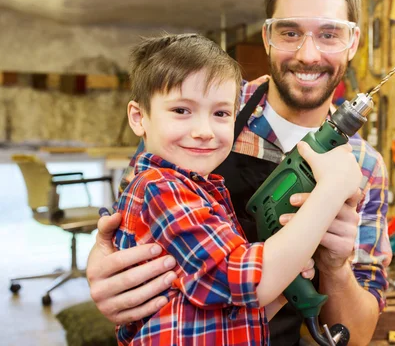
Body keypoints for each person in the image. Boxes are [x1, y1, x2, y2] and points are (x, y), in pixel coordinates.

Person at [87, 0, 391, 345]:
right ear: (267, 38)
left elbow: (357, 335)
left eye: (329, 34)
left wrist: (334, 266)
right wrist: (100, 267)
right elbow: (130, 220)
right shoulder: (205, 109)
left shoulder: (363, 165)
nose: (309, 54)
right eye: (290, 32)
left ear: (353, 43)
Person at [112, 33, 363, 345]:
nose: (204, 131)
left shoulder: (205, 191)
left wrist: (285, 285)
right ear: (139, 118)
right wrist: (331, 190)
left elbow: (227, 309)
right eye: (181, 111)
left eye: (220, 114)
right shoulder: (161, 190)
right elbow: (251, 282)